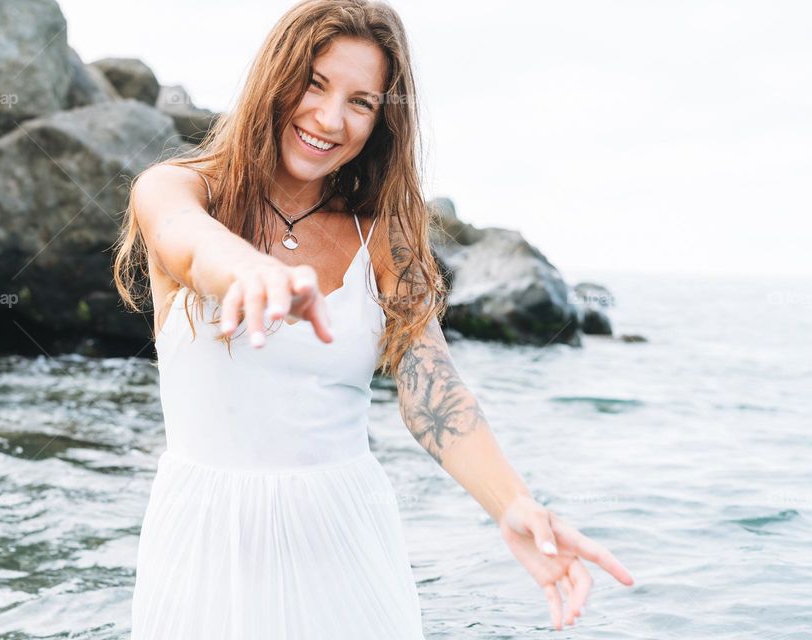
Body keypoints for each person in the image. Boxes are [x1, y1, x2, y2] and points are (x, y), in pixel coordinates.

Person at [112, 0, 634, 636]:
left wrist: (514, 505)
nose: (330, 119)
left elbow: (432, 392)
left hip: (346, 540)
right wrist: (251, 272)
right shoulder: (178, 189)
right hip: (207, 542)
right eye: (315, 84)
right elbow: (185, 240)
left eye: (361, 102)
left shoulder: (385, 238)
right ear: (274, 78)